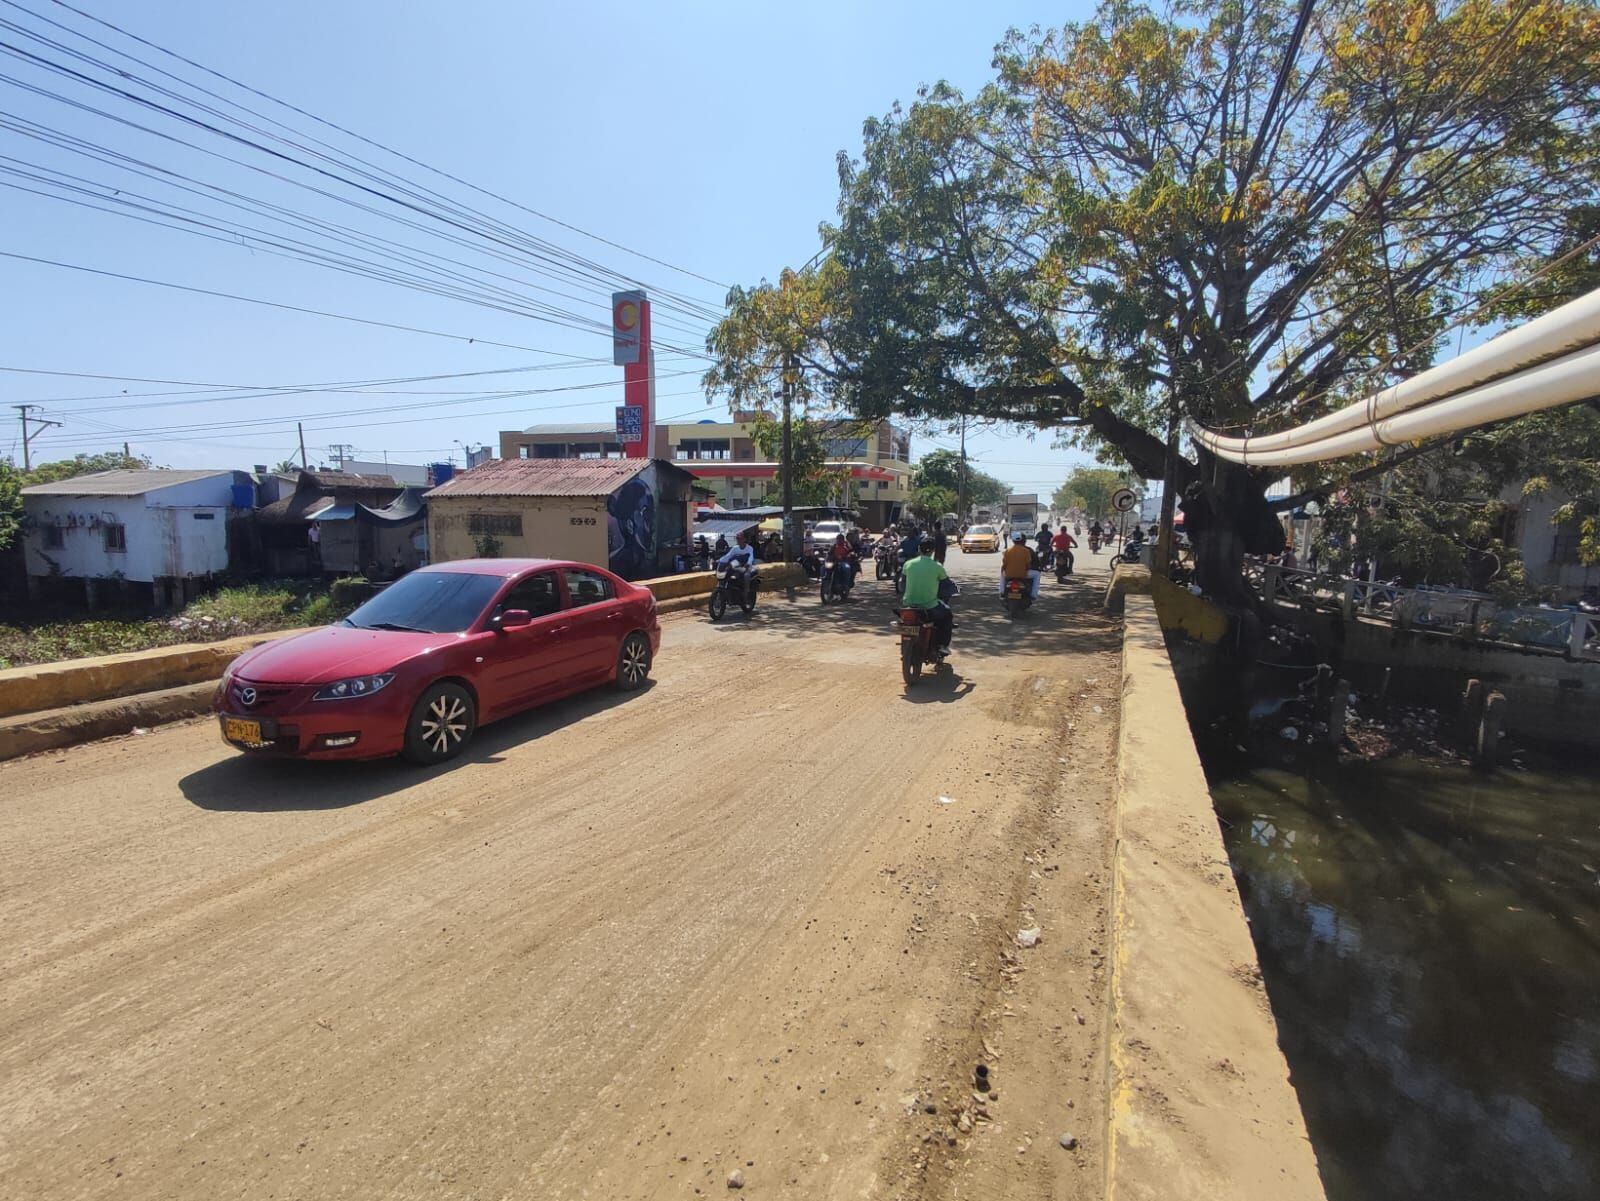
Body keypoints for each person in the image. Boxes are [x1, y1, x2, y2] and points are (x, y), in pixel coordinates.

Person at [900, 536, 954, 652]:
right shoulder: (937, 567)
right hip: (929, 606)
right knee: (947, 615)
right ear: (933, 550)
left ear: (919, 549)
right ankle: (942, 646)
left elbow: (902, 584)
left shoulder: (908, 564)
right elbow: (946, 584)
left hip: (908, 604)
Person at [716, 530, 758, 605]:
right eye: (737, 538)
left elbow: (751, 557)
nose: (738, 540)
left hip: (746, 566)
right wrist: (720, 561)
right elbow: (728, 556)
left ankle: (746, 595)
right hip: (736, 566)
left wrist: (748, 563)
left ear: (744, 539)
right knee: (725, 576)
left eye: (739, 538)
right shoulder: (735, 548)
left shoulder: (749, 548)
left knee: (746, 576)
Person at [1002, 530, 1041, 598]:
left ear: (1013, 541)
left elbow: (1004, 565)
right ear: (1024, 541)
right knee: (1037, 574)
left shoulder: (1007, 551)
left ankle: (1001, 591)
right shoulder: (1027, 551)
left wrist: (1003, 571)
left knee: (1002, 574)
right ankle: (1034, 595)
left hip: (1009, 574)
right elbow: (1028, 565)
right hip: (1023, 574)